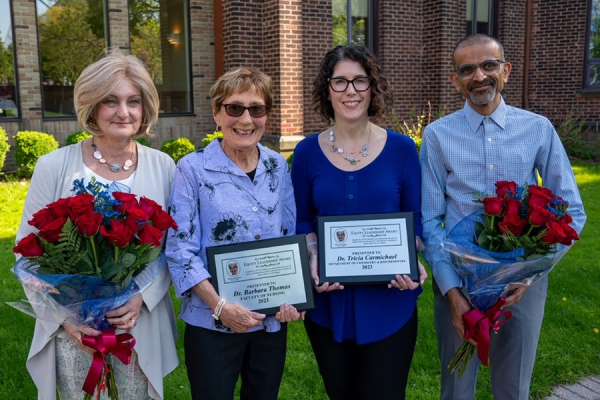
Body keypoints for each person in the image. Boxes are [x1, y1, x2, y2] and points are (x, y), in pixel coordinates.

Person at [420, 34, 587, 400]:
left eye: (488, 65)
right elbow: (429, 220)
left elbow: (572, 209)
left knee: (514, 389)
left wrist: (533, 272)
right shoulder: (436, 136)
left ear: (506, 71)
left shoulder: (538, 129)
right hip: (459, 283)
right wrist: (451, 291)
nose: (479, 76)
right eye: (467, 69)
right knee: (456, 388)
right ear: (455, 80)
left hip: (522, 286)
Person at [14, 50, 179, 400]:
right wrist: (67, 318)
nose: (124, 112)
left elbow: (171, 248)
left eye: (133, 101)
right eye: (110, 101)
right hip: (72, 323)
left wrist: (141, 299)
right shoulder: (53, 165)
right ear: (91, 106)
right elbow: (27, 251)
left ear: (145, 107)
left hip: (138, 321)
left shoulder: (164, 166)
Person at [291, 45, 428, 400]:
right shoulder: (306, 152)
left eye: (359, 81)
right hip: (328, 304)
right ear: (327, 89)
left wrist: (410, 255)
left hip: (389, 302)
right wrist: (312, 253)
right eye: (340, 81)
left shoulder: (402, 149)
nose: (350, 91)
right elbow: (302, 217)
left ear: (372, 87)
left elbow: (416, 218)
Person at [165, 67, 300, 400]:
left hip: (269, 320)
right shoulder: (191, 169)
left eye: (257, 108)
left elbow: (287, 233)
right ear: (216, 113)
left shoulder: (277, 166)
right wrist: (221, 307)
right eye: (234, 108)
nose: (246, 119)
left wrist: (294, 295)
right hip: (211, 320)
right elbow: (180, 250)